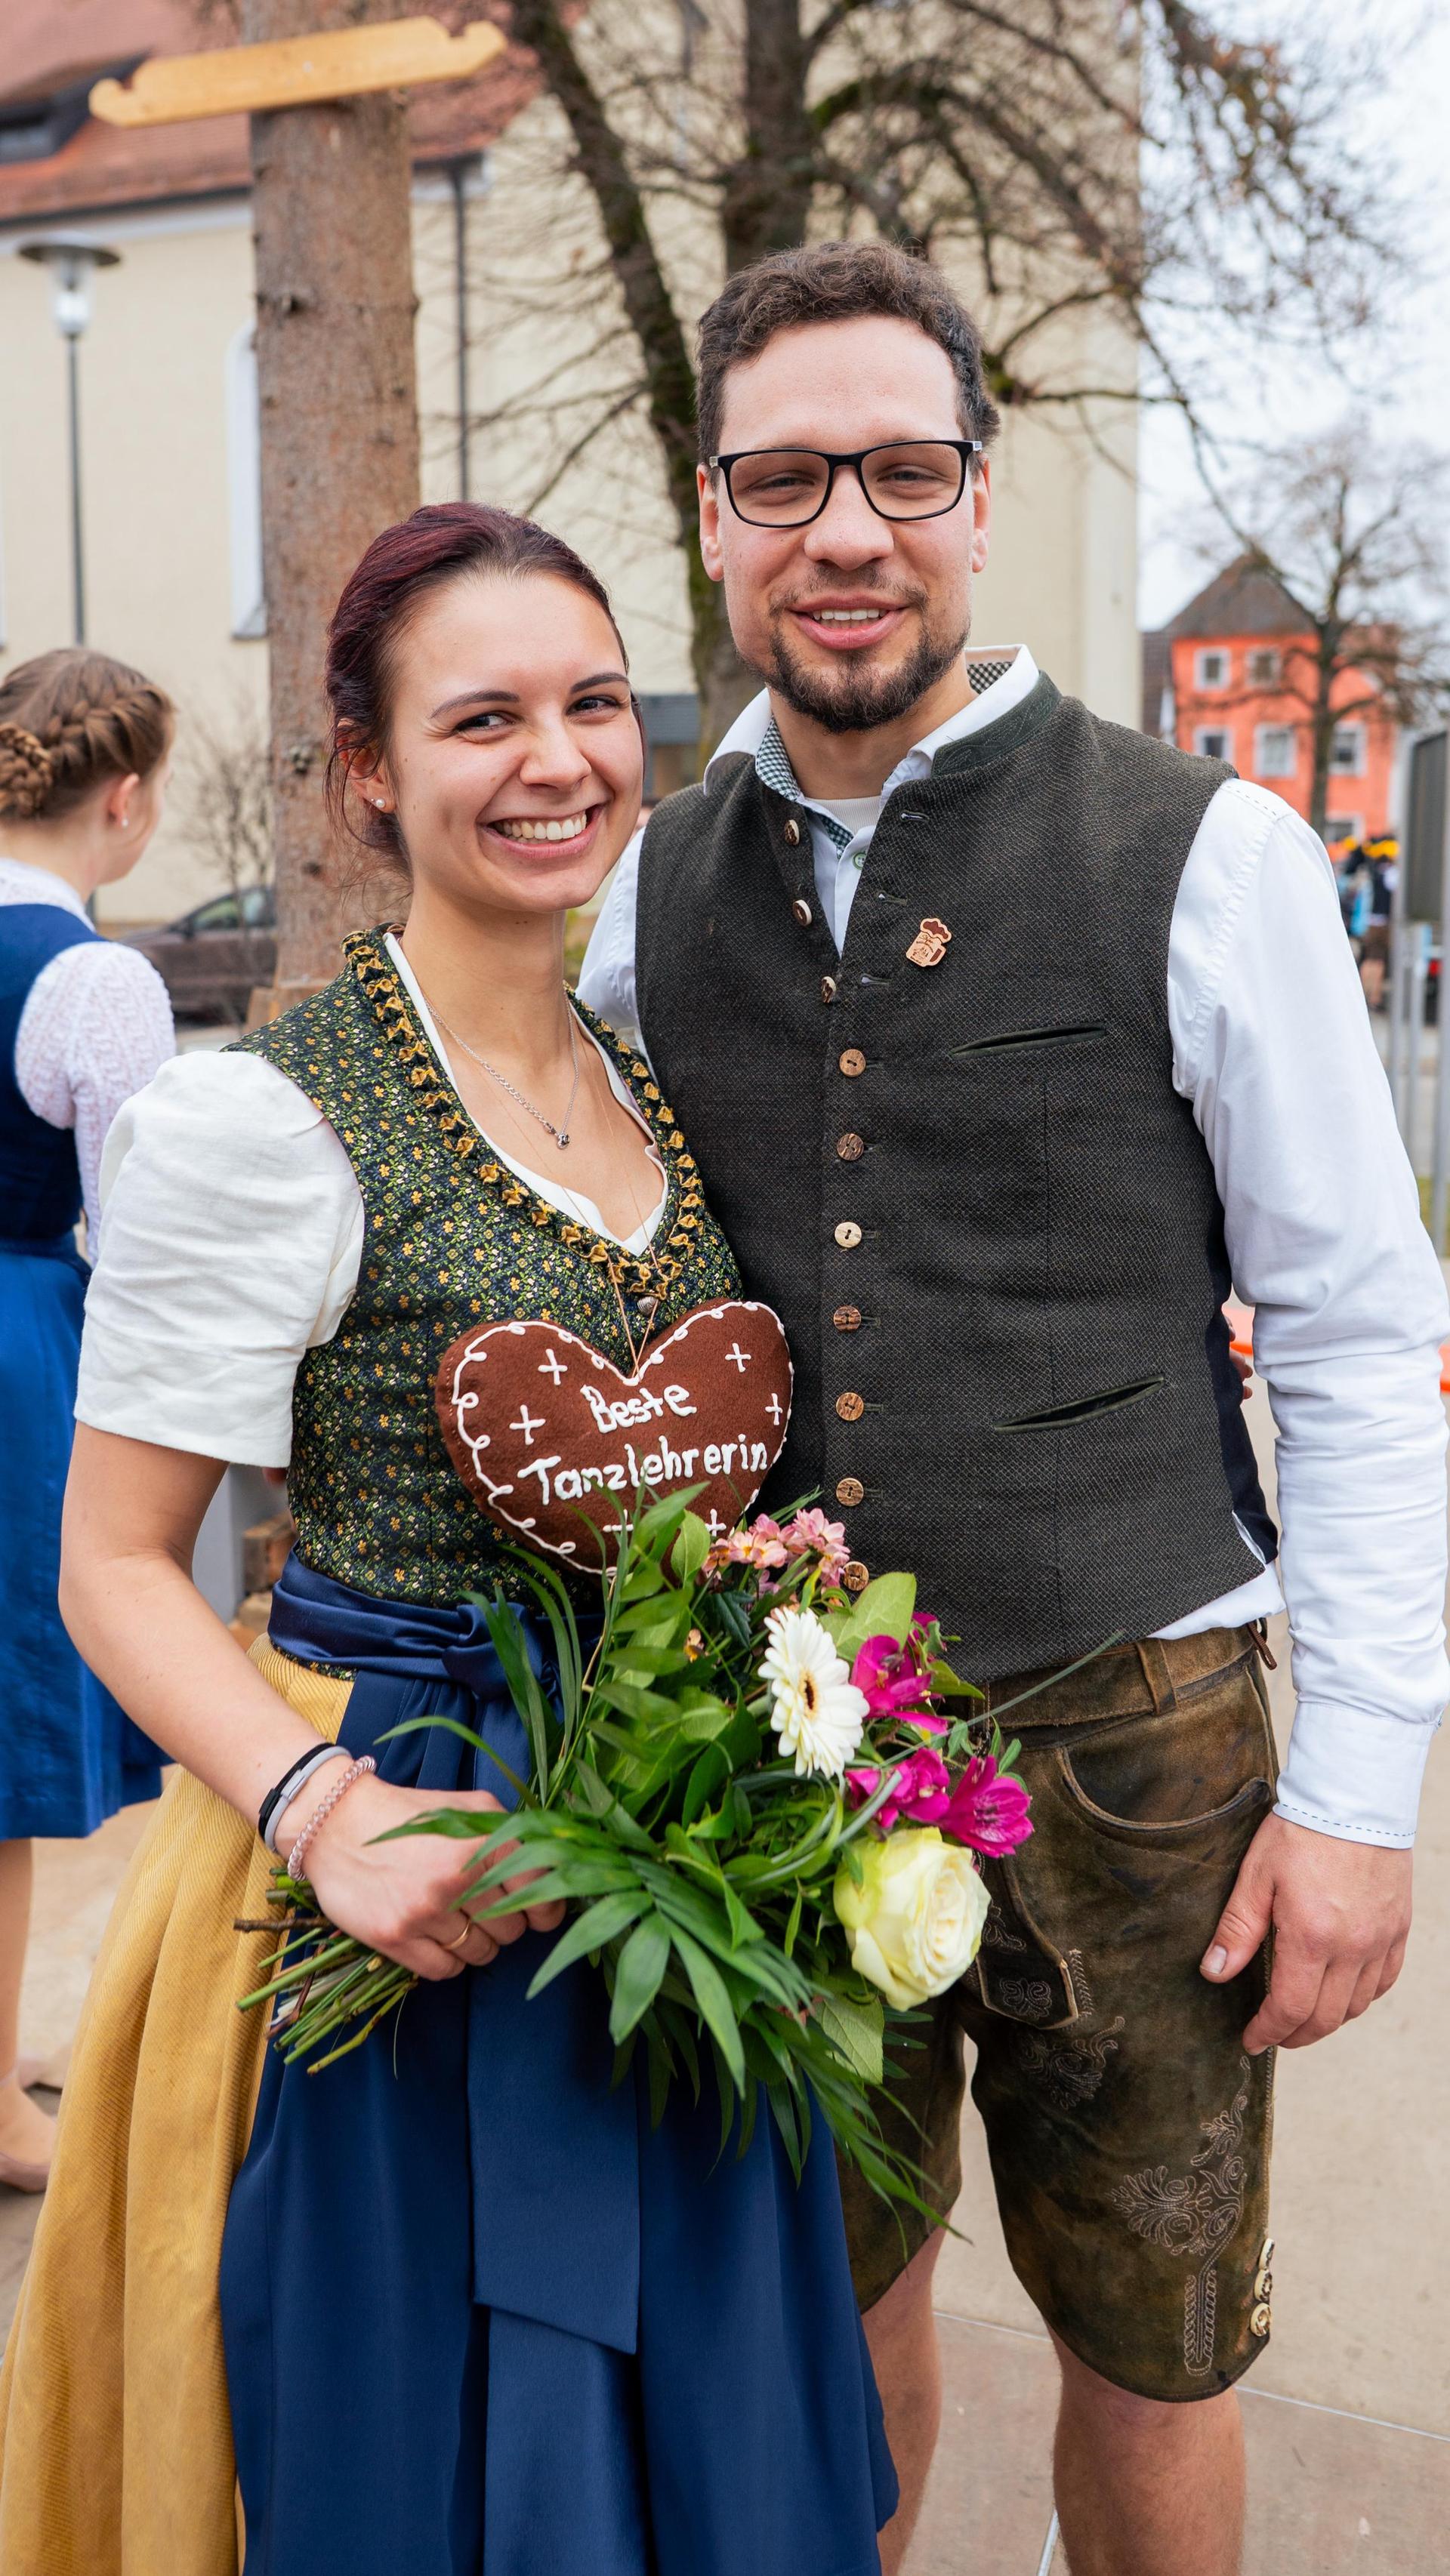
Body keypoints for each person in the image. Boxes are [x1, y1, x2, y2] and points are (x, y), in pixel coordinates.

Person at [579, 240, 1450, 2576]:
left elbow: (1364, 1339)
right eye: (786, 476)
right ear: (717, 512)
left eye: (898, 468)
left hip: (1139, 1737)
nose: (843, 528)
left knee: (1152, 2352)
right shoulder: (643, 898)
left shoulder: (1210, 850)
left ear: (978, 498)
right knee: (829, 2308)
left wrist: (1362, 1802)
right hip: (777, 1739)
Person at [0, 506, 895, 2576]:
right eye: (480, 715)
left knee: (706, 2454)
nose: (556, 757)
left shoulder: (654, 1084)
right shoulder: (259, 1121)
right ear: (369, 772)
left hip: (676, 1888)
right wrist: (326, 1810)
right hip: (398, 1888)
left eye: (592, 702)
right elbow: (116, 1563)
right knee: (426, 2463)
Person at [0, 650, 172, 2190]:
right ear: (122, 797)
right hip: (16, 1341)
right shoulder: (94, 973)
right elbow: (136, 1225)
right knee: (1, 1734)